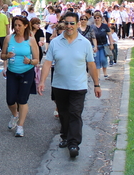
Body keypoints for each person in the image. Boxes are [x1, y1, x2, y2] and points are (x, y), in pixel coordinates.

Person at [38, 12, 102, 159]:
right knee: (64, 113)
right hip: (59, 86)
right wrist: (42, 81)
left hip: (78, 86)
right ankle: (65, 137)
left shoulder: (85, 43)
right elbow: (47, 63)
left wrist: (96, 84)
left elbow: (91, 65)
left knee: (75, 113)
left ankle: (74, 143)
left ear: (78, 24)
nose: (69, 26)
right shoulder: (55, 42)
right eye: (66, 23)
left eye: (72, 23)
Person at [2, 16, 39, 138]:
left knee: (22, 100)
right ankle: (15, 115)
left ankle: (20, 126)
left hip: (27, 72)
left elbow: (36, 60)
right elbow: (2, 55)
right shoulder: (9, 38)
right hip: (12, 72)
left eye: (19, 25)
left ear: (25, 26)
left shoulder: (31, 40)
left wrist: (29, 61)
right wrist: (6, 56)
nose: (17, 28)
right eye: (15, 25)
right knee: (10, 100)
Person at [92, 11, 114, 79]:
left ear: (101, 18)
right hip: (95, 46)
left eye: (98, 17)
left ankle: (105, 73)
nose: (96, 19)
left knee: (103, 59)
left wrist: (111, 44)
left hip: (104, 45)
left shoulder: (105, 26)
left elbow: (109, 35)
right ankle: (98, 75)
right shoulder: (91, 27)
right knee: (97, 60)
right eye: (95, 18)